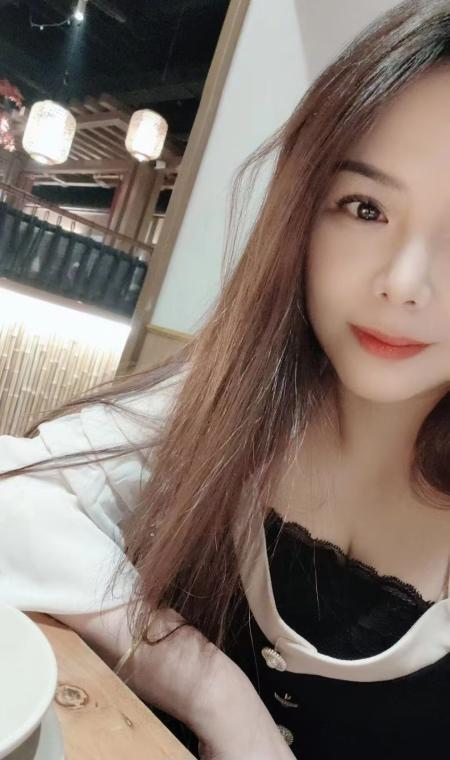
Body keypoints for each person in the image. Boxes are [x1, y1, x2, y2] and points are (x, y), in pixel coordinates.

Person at [1, 0, 450, 757]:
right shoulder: (233, 404)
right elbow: (15, 498)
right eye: (365, 207)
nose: (404, 284)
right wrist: (209, 686)